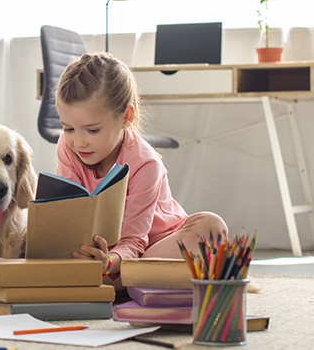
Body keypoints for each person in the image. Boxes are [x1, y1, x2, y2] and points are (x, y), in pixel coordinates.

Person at [54, 52, 228, 285]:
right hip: (105, 254)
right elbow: (68, 216)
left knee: (211, 226)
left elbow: (134, 242)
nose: (79, 142)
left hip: (154, 247)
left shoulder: (145, 163)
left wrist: (108, 263)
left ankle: (120, 282)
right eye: (68, 128)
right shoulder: (68, 147)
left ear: (126, 117)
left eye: (92, 130)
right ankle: (126, 283)